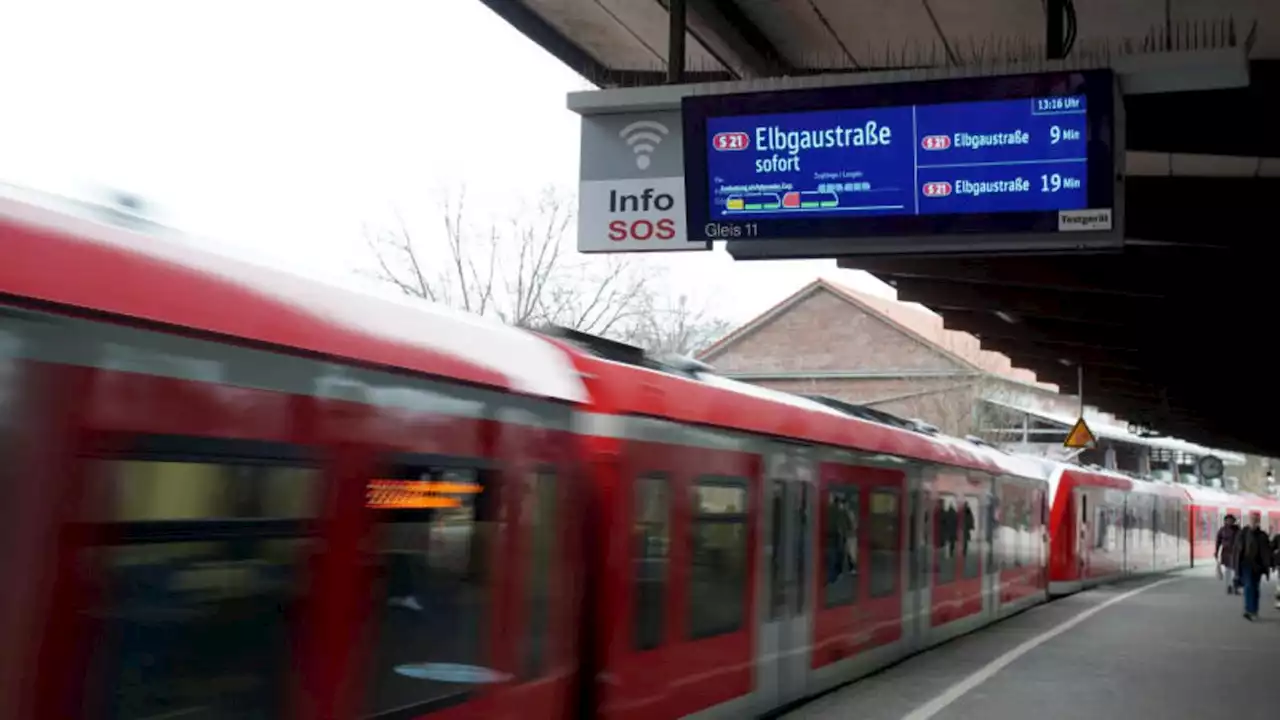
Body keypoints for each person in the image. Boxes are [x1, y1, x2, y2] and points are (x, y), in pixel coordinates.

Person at [1231, 511, 1274, 620]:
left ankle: (1254, 610)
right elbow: (1237, 549)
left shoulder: (1263, 535)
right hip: (1246, 564)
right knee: (1248, 585)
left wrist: (1269, 565)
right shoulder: (1243, 533)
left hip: (1258, 566)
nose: (1254, 520)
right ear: (1249, 520)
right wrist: (1235, 564)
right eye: (1252, 518)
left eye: (1256, 519)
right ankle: (1248, 610)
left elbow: (1267, 551)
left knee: (1255, 587)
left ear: (1259, 521)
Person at [1215, 514, 1241, 594]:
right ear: (1225, 521)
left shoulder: (1238, 530)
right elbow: (1218, 541)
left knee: (1235, 570)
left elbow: (1242, 541)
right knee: (1228, 570)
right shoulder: (1222, 530)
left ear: (1234, 521)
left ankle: (1235, 586)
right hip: (1226, 551)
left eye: (1231, 520)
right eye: (1228, 520)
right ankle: (1229, 586)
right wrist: (1216, 551)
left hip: (1236, 552)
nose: (1229, 521)